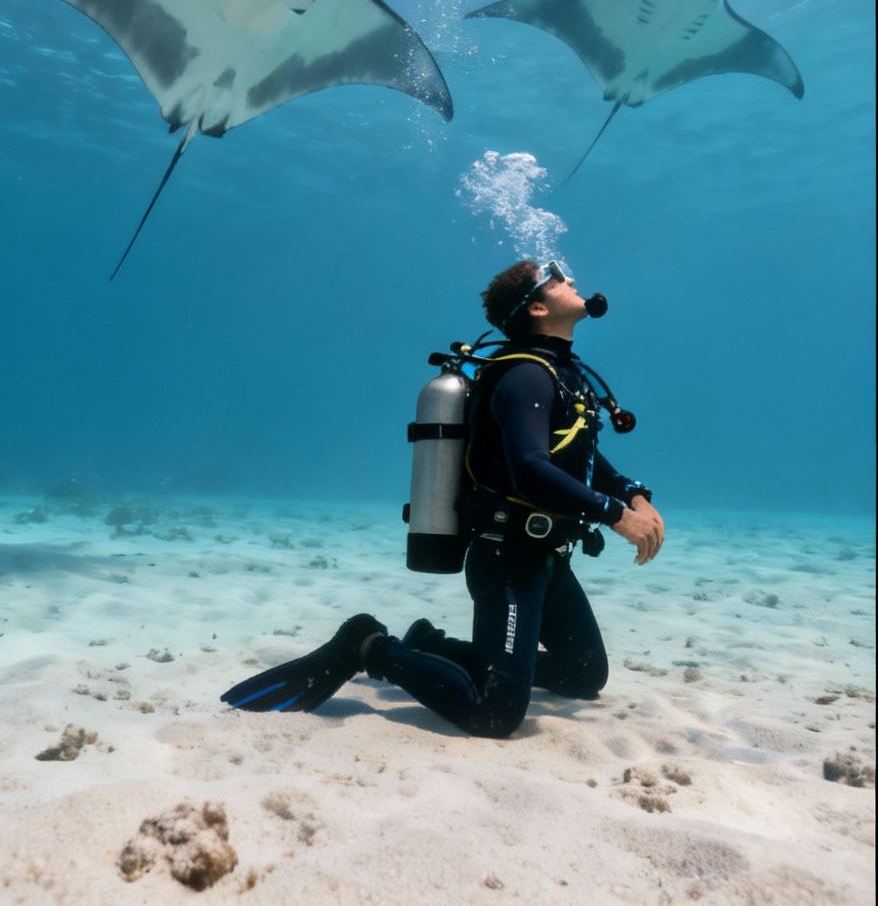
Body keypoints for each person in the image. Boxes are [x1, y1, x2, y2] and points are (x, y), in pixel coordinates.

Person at [220, 259, 666, 736]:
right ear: (537, 307)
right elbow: (531, 470)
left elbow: (579, 455)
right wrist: (612, 513)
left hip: (549, 555)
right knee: (494, 714)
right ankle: (368, 645)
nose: (572, 280)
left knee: (583, 675)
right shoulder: (524, 376)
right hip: (509, 559)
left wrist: (633, 494)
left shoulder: (559, 373)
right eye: (556, 279)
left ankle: (431, 645)